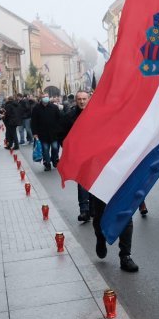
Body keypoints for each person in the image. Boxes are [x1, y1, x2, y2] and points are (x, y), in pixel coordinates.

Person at [62, 90, 138, 272]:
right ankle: (100, 237)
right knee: (100, 214)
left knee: (125, 214)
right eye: (79, 99)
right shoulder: (77, 119)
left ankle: (125, 255)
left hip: (119, 171)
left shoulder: (115, 117)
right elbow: (69, 142)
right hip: (97, 174)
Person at [61, 91, 94, 222]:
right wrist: (68, 149)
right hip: (79, 155)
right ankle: (84, 210)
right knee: (82, 182)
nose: (82, 101)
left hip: (94, 154)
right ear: (76, 100)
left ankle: (93, 208)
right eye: (79, 99)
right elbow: (62, 134)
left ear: (89, 99)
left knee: (94, 182)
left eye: (84, 99)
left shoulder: (96, 114)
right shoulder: (69, 116)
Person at [31, 93, 62, 171]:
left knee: (55, 148)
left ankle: (54, 160)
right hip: (42, 133)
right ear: (41, 98)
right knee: (45, 149)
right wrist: (34, 133)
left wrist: (59, 130)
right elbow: (33, 122)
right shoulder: (36, 108)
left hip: (54, 133)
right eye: (43, 97)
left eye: (46, 96)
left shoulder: (54, 107)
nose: (45, 98)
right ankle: (47, 163)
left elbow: (60, 119)